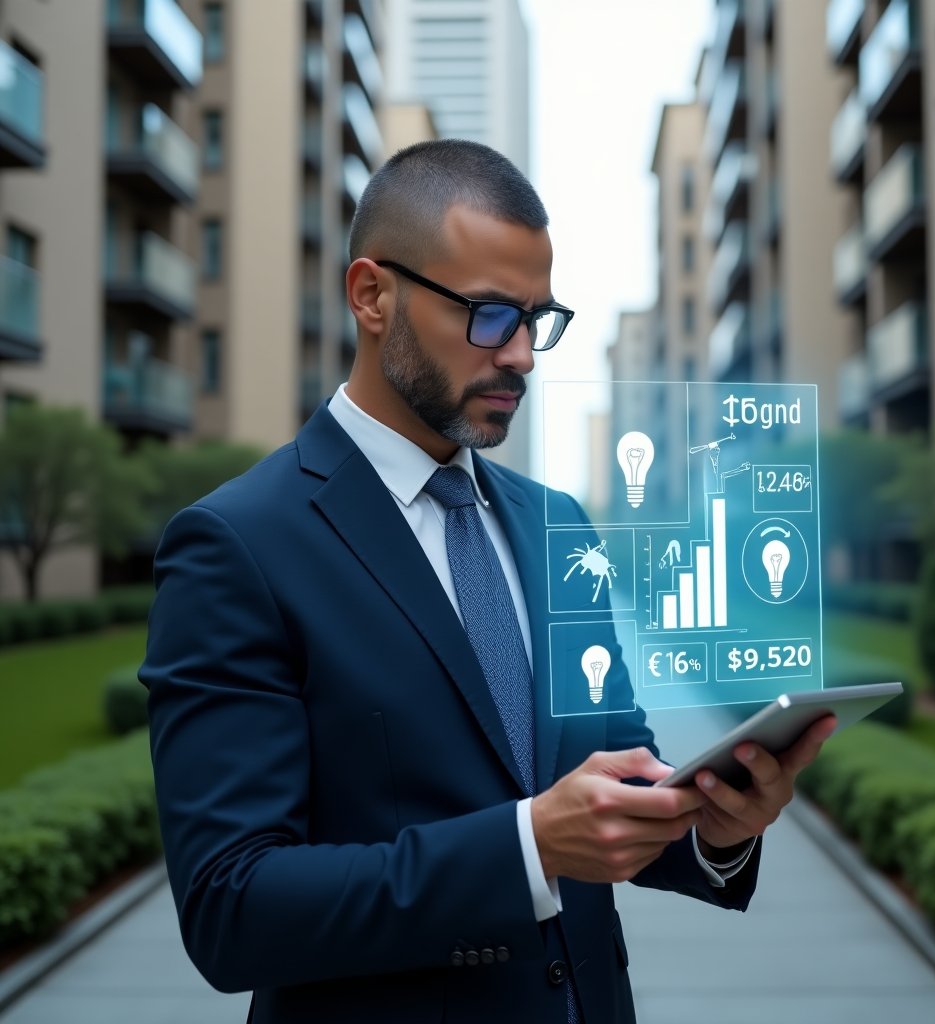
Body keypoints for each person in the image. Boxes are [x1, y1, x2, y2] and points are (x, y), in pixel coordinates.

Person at [141, 139, 835, 1024]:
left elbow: (611, 786)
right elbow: (231, 906)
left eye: (537, 319)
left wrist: (715, 832)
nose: (522, 357)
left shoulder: (557, 526)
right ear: (372, 296)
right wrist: (525, 846)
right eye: (490, 314)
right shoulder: (237, 544)